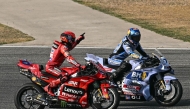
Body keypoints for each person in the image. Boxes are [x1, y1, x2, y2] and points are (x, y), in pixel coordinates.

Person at [44, 30, 85, 96]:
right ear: (66, 38)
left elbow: (71, 47)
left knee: (71, 72)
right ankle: (48, 87)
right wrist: (78, 65)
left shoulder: (62, 46)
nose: (73, 40)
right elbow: (69, 58)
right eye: (72, 39)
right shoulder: (63, 47)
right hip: (51, 67)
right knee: (65, 76)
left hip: (55, 67)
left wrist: (79, 40)